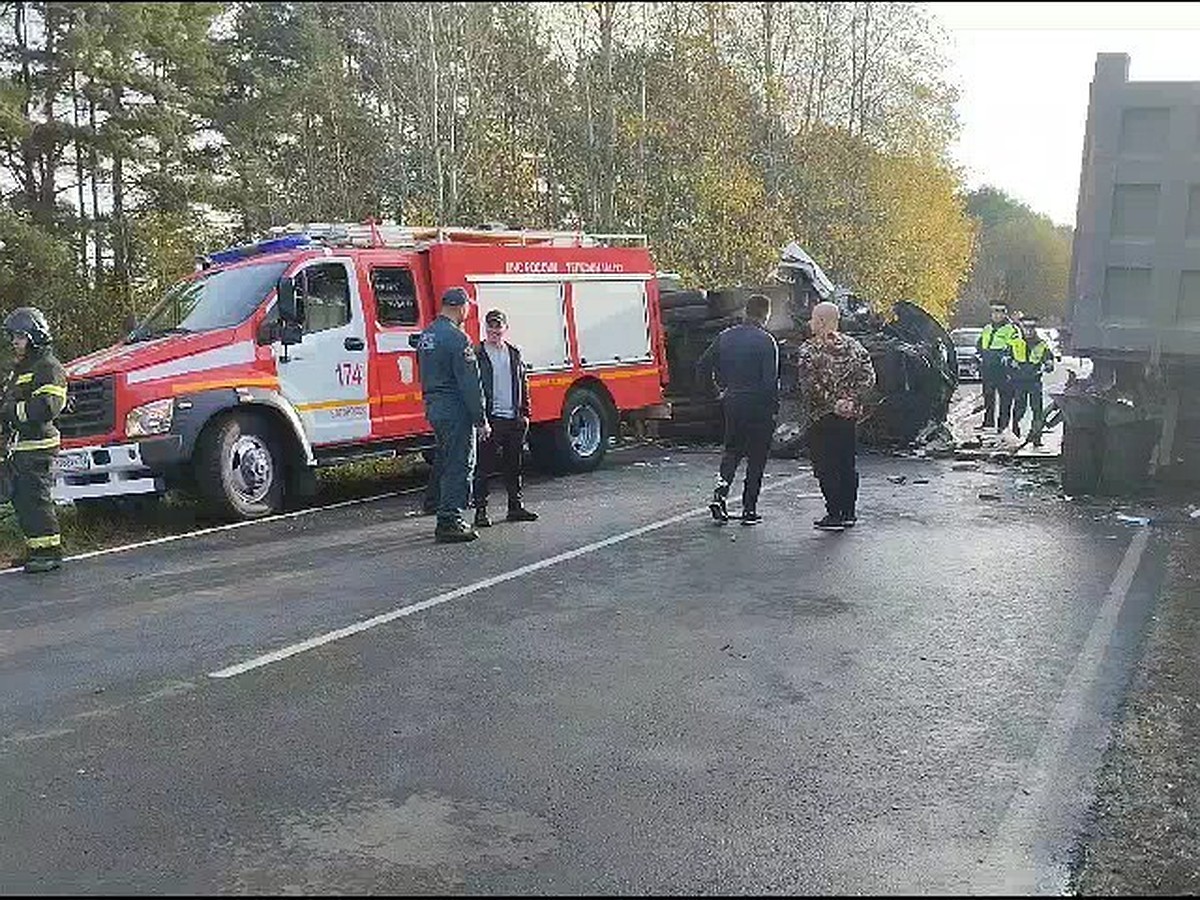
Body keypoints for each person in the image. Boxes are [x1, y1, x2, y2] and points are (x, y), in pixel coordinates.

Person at [695, 293, 779, 525]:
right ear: (766, 314)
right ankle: (749, 509)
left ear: (746, 311)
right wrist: (773, 409)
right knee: (756, 458)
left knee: (731, 452)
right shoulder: (766, 341)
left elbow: (702, 365)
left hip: (732, 401)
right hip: (758, 405)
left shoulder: (725, 337)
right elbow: (769, 381)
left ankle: (719, 496)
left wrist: (715, 392)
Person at [417, 287, 490, 543]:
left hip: (435, 406)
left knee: (446, 461)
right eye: (467, 307)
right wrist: (480, 418)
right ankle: (451, 519)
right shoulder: (457, 338)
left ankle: (443, 510)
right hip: (455, 407)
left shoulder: (428, 335)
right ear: (461, 307)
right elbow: (470, 382)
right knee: (461, 462)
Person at [797, 301, 876, 530]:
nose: (810, 322)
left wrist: (834, 404)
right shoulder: (855, 347)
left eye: (813, 318)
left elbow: (808, 385)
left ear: (821, 321)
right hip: (849, 416)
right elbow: (869, 377)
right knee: (846, 463)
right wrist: (850, 400)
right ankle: (849, 513)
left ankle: (834, 514)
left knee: (825, 465)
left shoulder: (809, 350)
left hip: (821, 417)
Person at [1, 307, 68, 573]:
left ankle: (50, 553)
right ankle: (36, 549)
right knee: (24, 502)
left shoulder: (48, 367)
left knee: (36, 500)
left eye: (19, 337)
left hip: (38, 448)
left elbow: (45, 408)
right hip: (21, 448)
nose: (15, 343)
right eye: (14, 337)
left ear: (34, 335)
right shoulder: (22, 368)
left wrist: (8, 411)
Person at [472, 309, 538, 527]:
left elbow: (523, 383)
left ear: (505, 329)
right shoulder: (477, 353)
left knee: (514, 465)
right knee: (484, 467)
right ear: (486, 329)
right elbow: (473, 387)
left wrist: (525, 413)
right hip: (491, 420)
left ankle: (515, 507)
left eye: (498, 329)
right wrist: (481, 419)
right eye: (491, 329)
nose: (494, 332)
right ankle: (480, 511)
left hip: (514, 419)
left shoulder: (514, 353)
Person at [1005, 314, 1055, 445]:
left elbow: (1049, 360)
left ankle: (1036, 437)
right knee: (1018, 408)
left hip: (1034, 381)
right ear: (1021, 327)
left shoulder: (1041, 344)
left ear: (1035, 328)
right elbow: (1005, 358)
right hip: (1019, 381)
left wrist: (1049, 364)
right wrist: (1010, 363)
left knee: (1037, 410)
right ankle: (1015, 434)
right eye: (1026, 327)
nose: (1029, 330)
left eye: (1032, 327)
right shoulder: (1015, 343)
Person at [976, 303, 1019, 432]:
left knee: (1005, 399)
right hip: (988, 367)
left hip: (1004, 369)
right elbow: (980, 345)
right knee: (988, 396)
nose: (997, 315)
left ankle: (1003, 425)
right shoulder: (987, 328)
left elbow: (1017, 348)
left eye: (1001, 312)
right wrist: (977, 357)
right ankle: (988, 422)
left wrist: (1009, 358)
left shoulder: (1011, 329)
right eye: (995, 312)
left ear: (1005, 314)